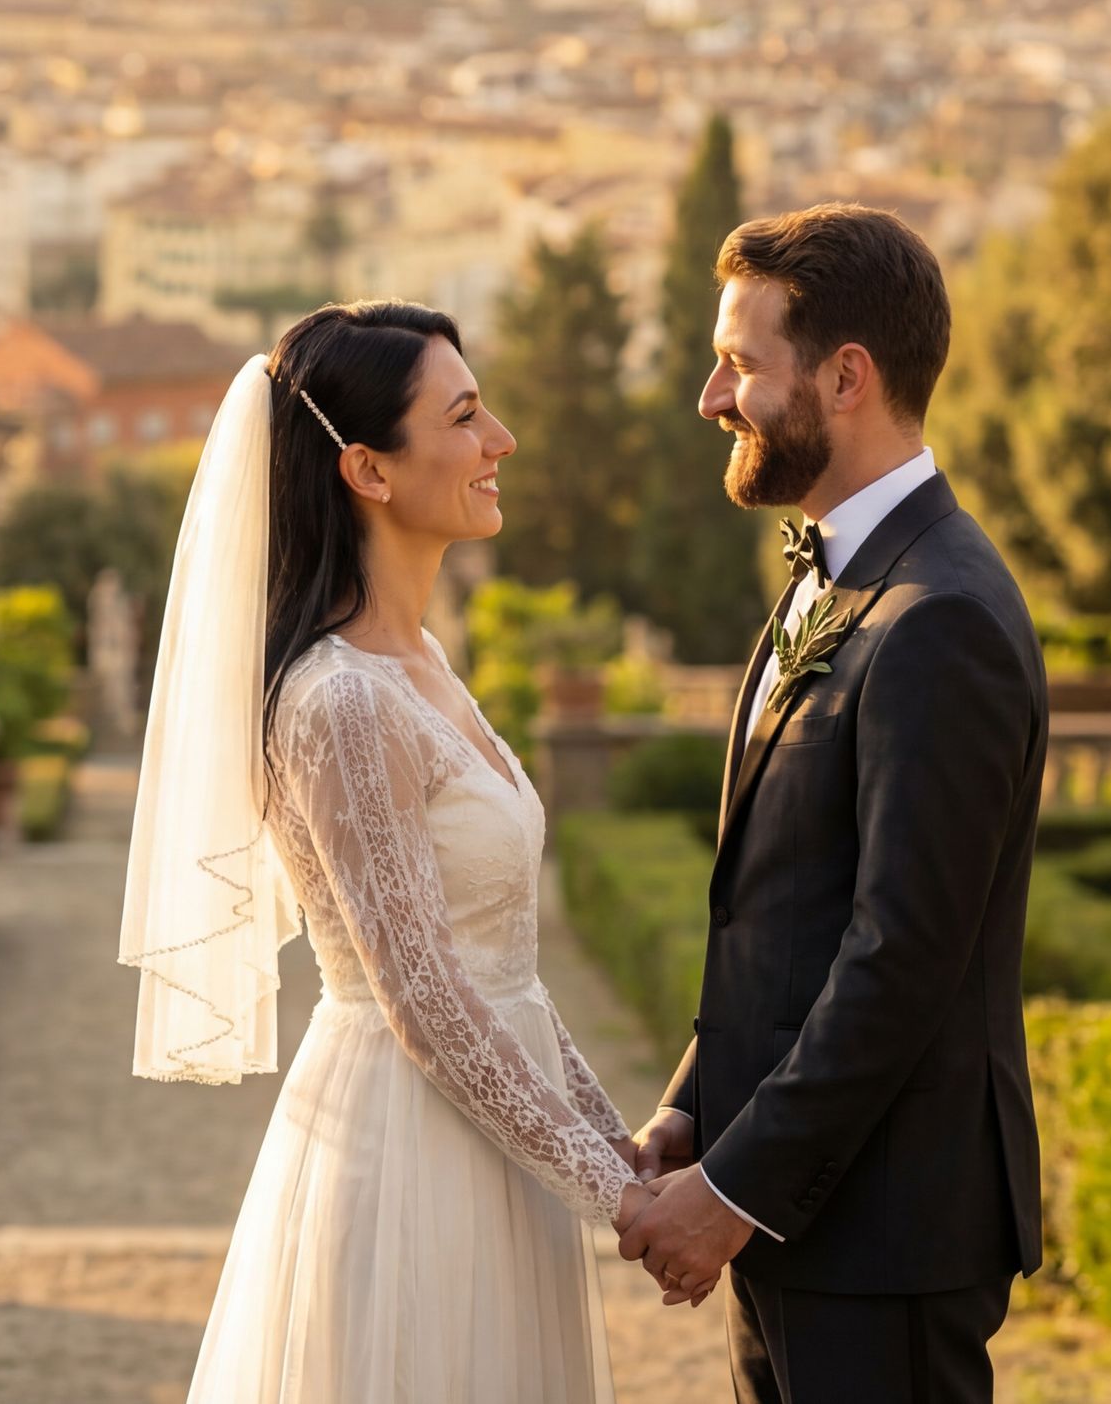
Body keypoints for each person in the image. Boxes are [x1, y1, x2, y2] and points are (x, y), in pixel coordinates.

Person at [121, 300, 651, 1404]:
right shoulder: (341, 699)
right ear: (366, 467)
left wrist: (626, 1154)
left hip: (498, 1141)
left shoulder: (424, 665)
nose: (499, 439)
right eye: (464, 416)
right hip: (411, 1152)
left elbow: (504, 973)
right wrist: (620, 1200)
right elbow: (418, 988)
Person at [619, 205, 1047, 1404]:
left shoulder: (941, 617)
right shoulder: (836, 576)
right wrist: (692, 1112)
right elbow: (784, 910)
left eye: (742, 364)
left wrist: (735, 1190)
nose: (711, 396)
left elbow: (898, 960)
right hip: (810, 1222)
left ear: (846, 376)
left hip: (885, 1236)